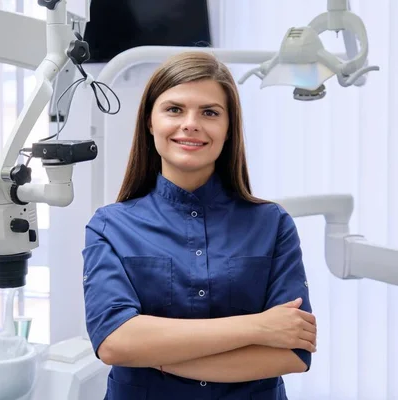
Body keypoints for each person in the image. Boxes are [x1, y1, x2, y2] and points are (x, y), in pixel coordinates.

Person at [82, 51, 317, 400]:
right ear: (150, 122)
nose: (191, 123)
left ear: (228, 129)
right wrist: (258, 327)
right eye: (174, 109)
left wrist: (156, 355)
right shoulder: (110, 227)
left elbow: (291, 351)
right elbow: (115, 343)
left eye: (209, 112)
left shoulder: (272, 224)